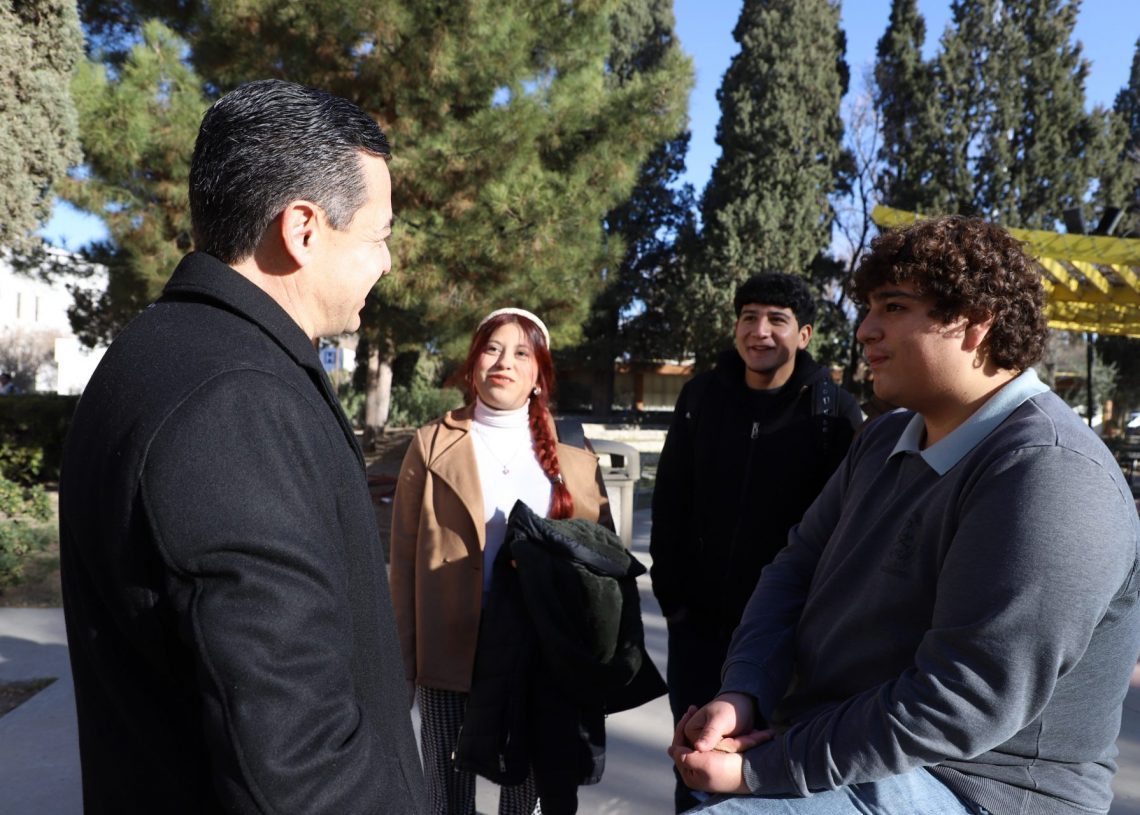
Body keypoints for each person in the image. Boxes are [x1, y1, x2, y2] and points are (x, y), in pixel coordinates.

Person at [668, 215, 1140, 815]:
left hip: (977, 785)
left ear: (975, 323)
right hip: (840, 740)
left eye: (893, 307)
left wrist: (763, 770)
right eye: (868, 308)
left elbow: (961, 703)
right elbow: (794, 569)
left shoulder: (1049, 472)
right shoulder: (883, 437)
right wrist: (744, 690)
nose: (865, 330)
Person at [59, 80, 426, 814]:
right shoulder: (234, 400)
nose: (387, 262)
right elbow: (295, 763)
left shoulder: (168, 353)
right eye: (378, 236)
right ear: (303, 230)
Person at [389, 307, 615, 815]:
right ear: (473, 365)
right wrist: (402, 664)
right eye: (492, 349)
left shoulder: (573, 452)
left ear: (539, 375)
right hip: (449, 644)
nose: (504, 362)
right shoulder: (432, 443)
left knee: (525, 791)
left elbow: (601, 559)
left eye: (521, 353)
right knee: (445, 792)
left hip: (538, 647)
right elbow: (403, 564)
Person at [649, 272, 862, 811]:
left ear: (804, 334)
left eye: (776, 320)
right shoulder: (701, 396)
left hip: (786, 637)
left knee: (763, 769)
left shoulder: (833, 413)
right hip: (698, 628)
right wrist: (674, 599)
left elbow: (843, 531)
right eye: (749, 317)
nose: (759, 331)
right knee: (693, 757)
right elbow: (671, 498)